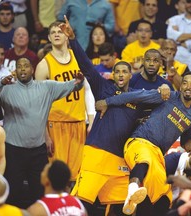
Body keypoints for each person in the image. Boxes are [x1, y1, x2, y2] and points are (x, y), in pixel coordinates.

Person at [60, 16, 170, 215]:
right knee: (79, 206)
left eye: (124, 72)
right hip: (96, 155)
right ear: (112, 74)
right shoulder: (103, 88)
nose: (120, 75)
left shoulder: (137, 99)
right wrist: (73, 40)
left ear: (131, 76)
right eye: (116, 71)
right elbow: (86, 65)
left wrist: (163, 88)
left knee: (122, 208)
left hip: (120, 161)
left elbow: (158, 105)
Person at [96, 71, 191, 215]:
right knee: (144, 160)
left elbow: (187, 144)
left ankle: (135, 196)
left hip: (157, 155)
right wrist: (107, 102)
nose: (188, 86)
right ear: (180, 86)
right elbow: (136, 96)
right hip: (140, 141)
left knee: (163, 198)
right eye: (185, 82)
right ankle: (132, 191)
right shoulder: (167, 95)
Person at [0, 57, 84, 208]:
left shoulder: (47, 87)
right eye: (19, 67)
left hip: (38, 152)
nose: (23, 69)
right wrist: (1, 83)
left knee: (41, 194)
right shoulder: (6, 89)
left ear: (32, 69)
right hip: (13, 152)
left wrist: (79, 81)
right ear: (15, 71)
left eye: (26, 66)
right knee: (13, 195)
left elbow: (73, 85)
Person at [35, 21, 95, 182]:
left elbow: (88, 90)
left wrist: (91, 119)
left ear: (67, 35)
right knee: (58, 176)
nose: (56, 34)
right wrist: (45, 135)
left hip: (78, 122)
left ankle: (73, 206)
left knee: (77, 175)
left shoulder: (78, 57)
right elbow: (39, 105)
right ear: (48, 37)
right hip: (56, 124)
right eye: (53, 32)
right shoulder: (43, 66)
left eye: (60, 31)